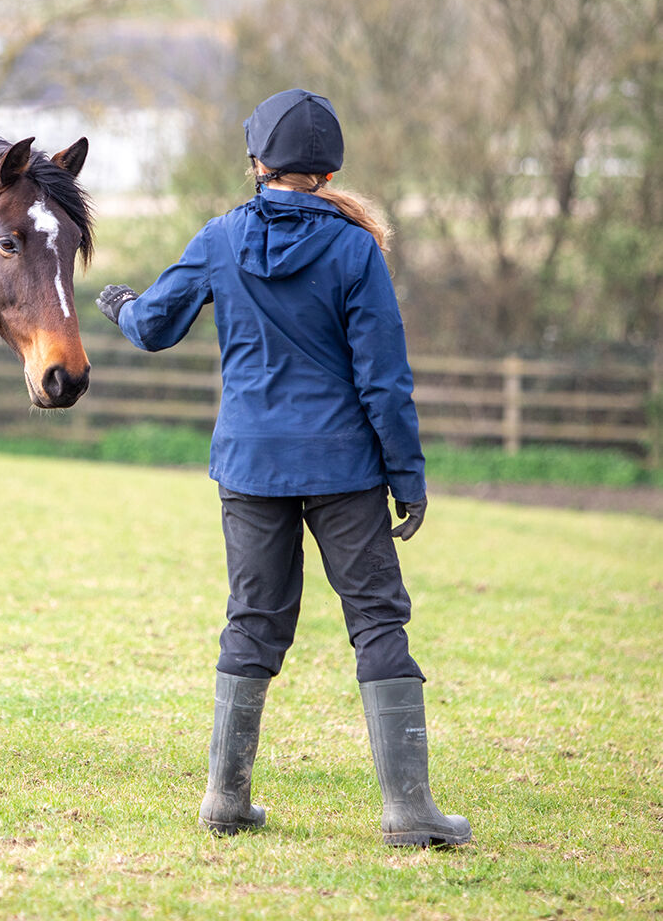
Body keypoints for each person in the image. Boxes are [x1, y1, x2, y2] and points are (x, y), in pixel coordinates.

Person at [95, 89, 470, 847]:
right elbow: (384, 380)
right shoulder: (356, 249)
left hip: (251, 464)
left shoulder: (220, 237)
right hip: (345, 467)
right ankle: (409, 812)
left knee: (254, 622)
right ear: (329, 172)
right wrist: (409, 476)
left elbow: (155, 328)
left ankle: (225, 801)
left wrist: (121, 305)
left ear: (257, 164)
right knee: (376, 621)